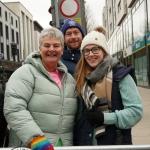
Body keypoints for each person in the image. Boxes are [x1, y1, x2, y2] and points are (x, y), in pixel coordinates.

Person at [4, 27, 78, 149]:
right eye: (47, 45)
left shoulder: (69, 80)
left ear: (62, 50)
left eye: (56, 46)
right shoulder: (25, 73)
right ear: (39, 49)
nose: (51, 49)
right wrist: (37, 141)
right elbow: (14, 109)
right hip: (32, 146)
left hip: (64, 146)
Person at [74, 26, 143, 145]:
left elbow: (136, 112)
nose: (90, 54)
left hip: (113, 143)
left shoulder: (121, 76)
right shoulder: (83, 79)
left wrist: (105, 118)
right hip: (86, 143)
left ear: (104, 51)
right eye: (86, 50)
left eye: (95, 49)